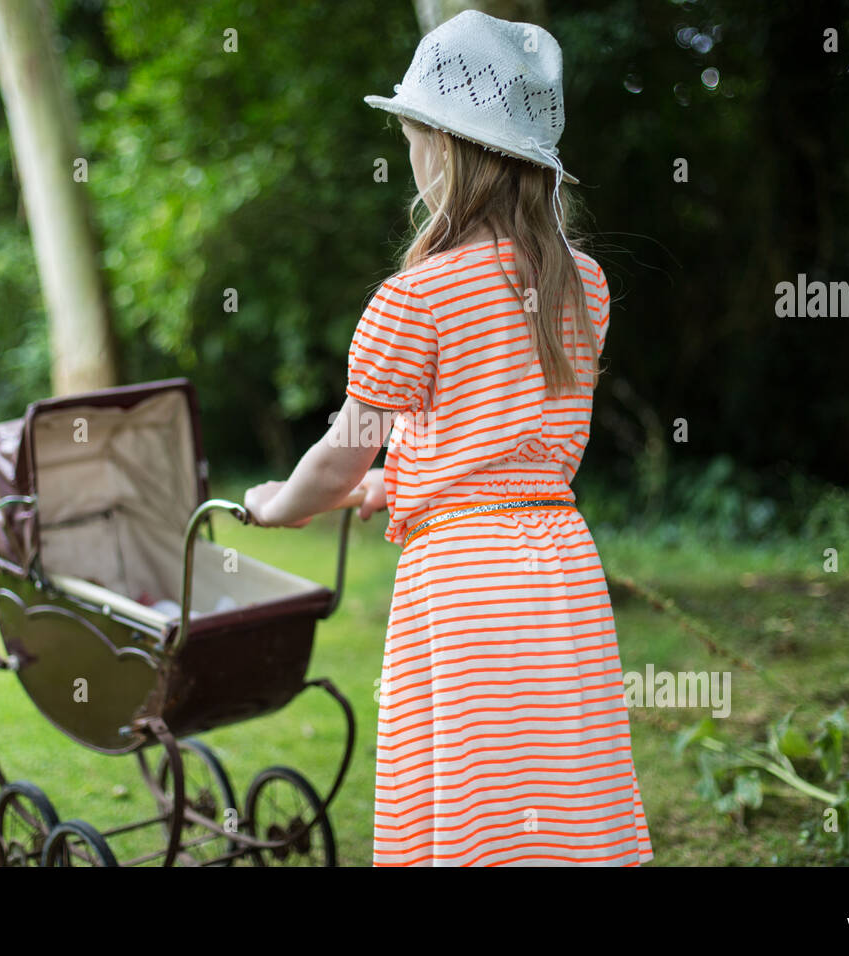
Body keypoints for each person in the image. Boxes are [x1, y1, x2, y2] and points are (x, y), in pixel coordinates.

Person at [243, 9, 653, 867]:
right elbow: (507, 443)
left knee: (475, 807)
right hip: (563, 576)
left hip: (465, 590)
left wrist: (282, 506)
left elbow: (343, 449)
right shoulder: (587, 286)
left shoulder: (417, 298)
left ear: (445, 148)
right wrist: (396, 484)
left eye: (414, 140)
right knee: (556, 797)